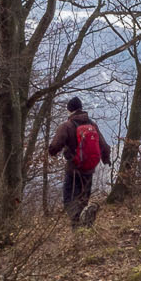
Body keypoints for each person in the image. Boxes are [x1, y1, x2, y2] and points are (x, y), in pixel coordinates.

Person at [46, 97, 111, 226]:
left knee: (69, 199)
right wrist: (106, 159)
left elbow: (55, 145)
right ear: (81, 108)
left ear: (69, 110)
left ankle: (77, 223)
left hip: (73, 169)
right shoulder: (92, 125)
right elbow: (104, 145)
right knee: (83, 198)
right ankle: (86, 219)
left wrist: (51, 152)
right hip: (89, 169)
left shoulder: (67, 126)